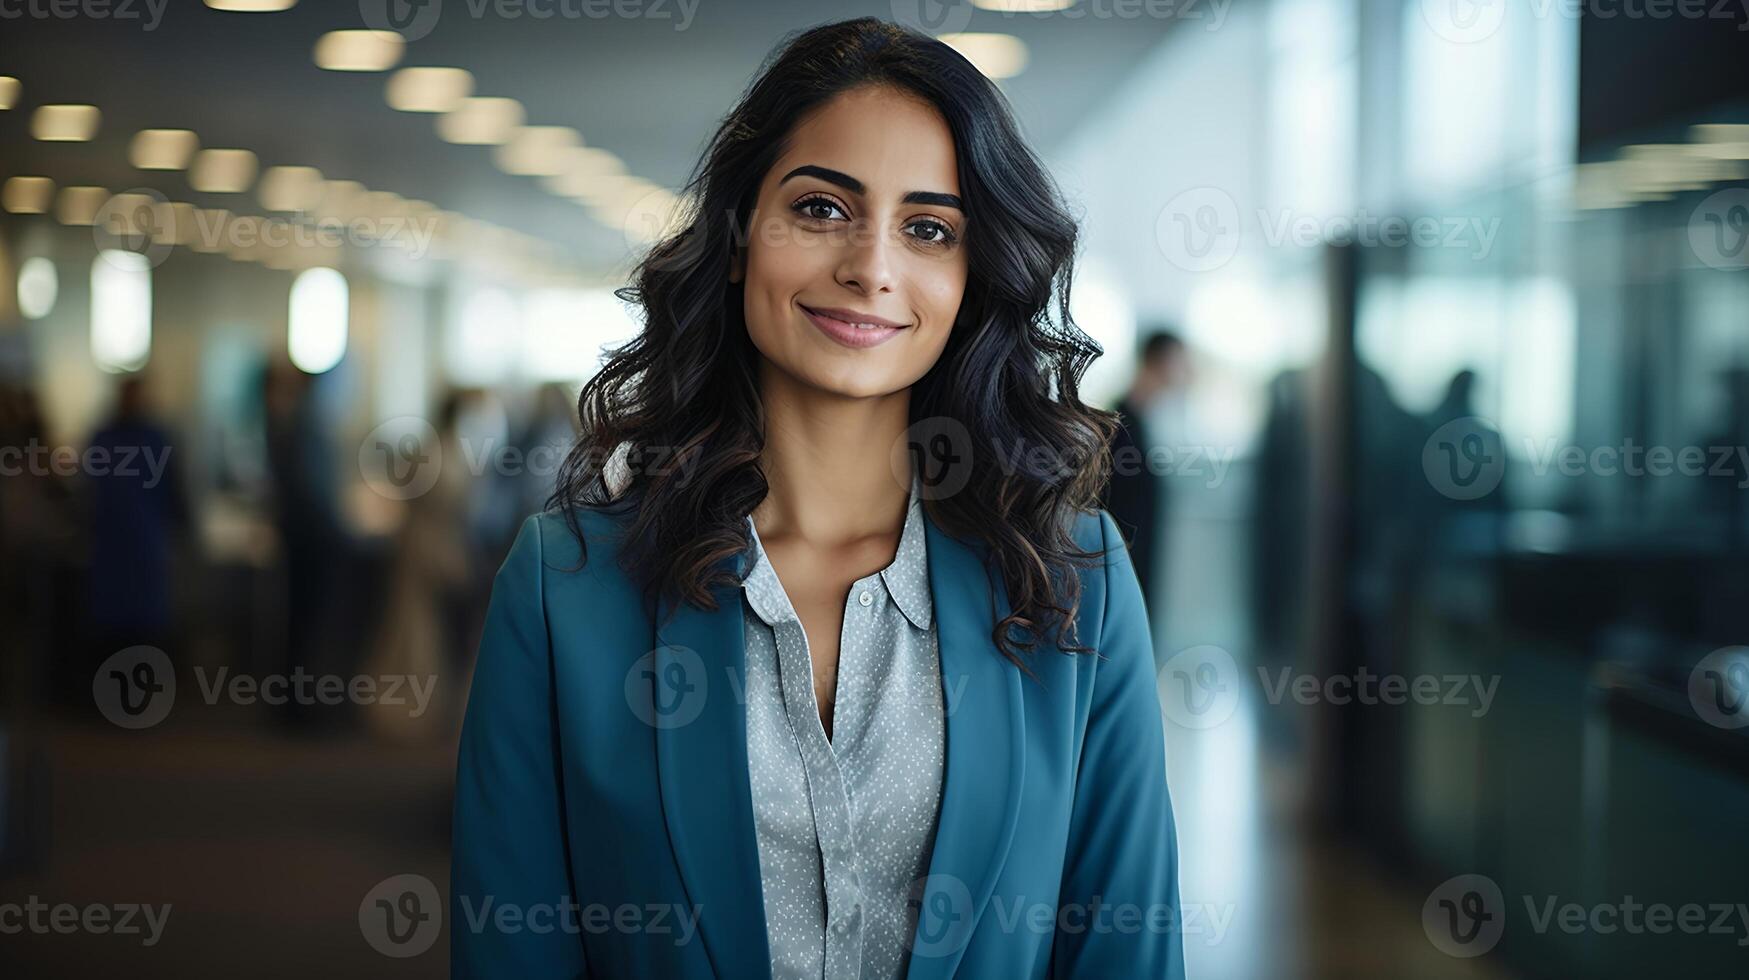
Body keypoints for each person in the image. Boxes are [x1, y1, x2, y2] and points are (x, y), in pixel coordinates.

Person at [450, 19, 1184, 980]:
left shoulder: (1072, 583)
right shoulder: (564, 590)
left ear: (971, 276)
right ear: (736, 238)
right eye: (822, 209)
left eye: (928, 229)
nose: (870, 267)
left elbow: (1122, 956)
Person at [1100, 330, 1185, 606]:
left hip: (1140, 551)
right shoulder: (1120, 423)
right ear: (1160, 361)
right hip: (1123, 555)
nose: (1183, 372)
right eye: (1179, 362)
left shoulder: (1145, 418)